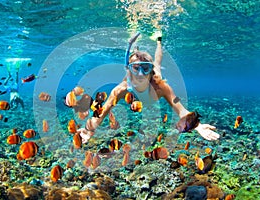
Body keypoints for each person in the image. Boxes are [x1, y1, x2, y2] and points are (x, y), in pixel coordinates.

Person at [77, 31, 220, 143]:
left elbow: (180, 109)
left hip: (156, 75)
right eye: (136, 68)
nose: (140, 73)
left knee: (158, 62)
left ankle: (159, 41)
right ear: (129, 69)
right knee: (142, 57)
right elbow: (101, 113)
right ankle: (136, 47)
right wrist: (89, 130)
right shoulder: (121, 90)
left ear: (150, 71)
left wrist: (197, 125)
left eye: (145, 68)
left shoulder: (161, 87)